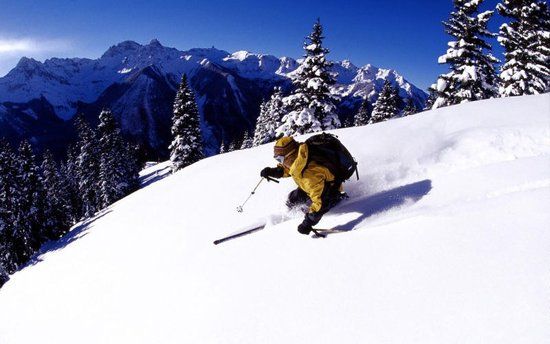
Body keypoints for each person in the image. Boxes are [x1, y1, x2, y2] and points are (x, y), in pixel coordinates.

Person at [260, 136, 347, 235]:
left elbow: (321, 203)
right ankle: (288, 214)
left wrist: (308, 223)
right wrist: (273, 172)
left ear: (290, 156)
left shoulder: (310, 173)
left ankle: (340, 198)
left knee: (315, 206)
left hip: (329, 192)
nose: (280, 162)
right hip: (309, 189)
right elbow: (289, 169)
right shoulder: (299, 157)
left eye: (280, 159)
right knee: (292, 199)